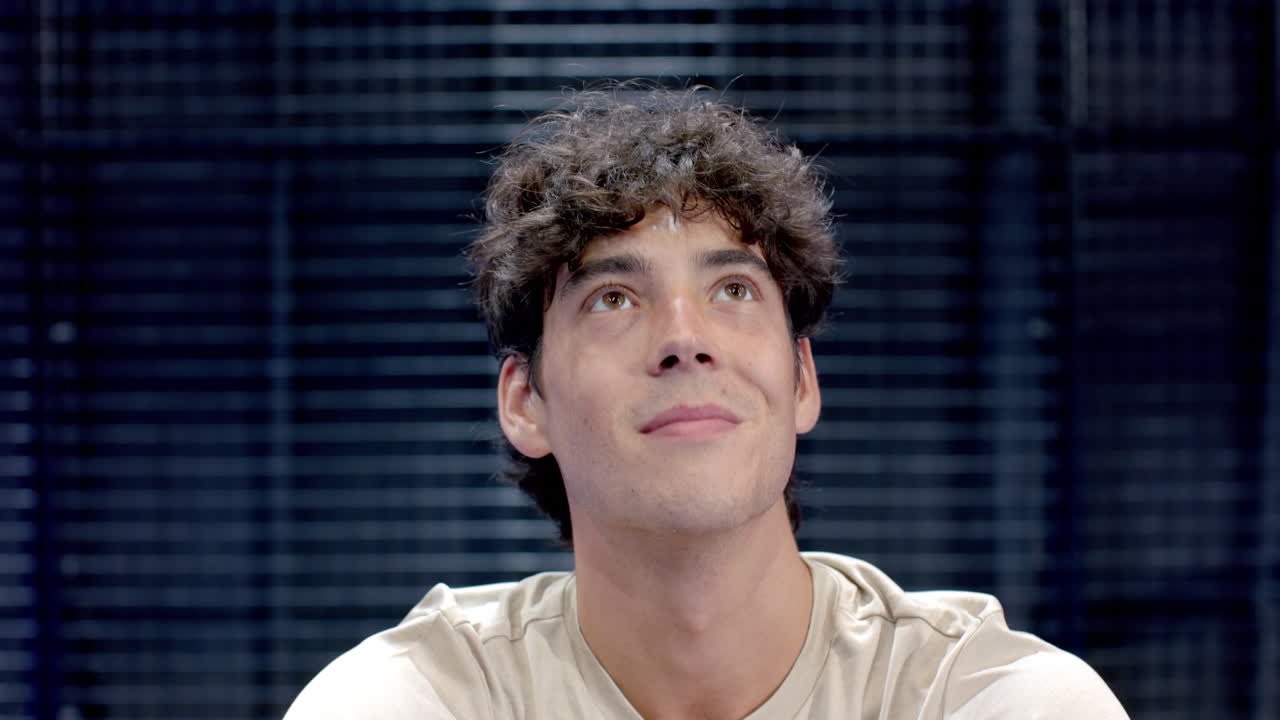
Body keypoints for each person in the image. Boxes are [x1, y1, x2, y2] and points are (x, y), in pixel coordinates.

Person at [284, 85, 1128, 720]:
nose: (685, 337)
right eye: (612, 298)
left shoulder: (990, 700)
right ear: (524, 402)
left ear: (802, 380)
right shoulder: (411, 701)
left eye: (733, 289)